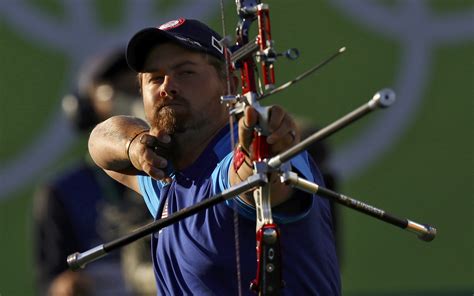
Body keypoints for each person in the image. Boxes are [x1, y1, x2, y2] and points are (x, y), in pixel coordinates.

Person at [88, 18, 341, 295]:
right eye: (155, 78)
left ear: (230, 84)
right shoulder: (163, 171)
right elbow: (100, 141)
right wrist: (135, 145)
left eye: (186, 73)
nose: (167, 87)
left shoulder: (230, 160)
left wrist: (261, 152)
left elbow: (252, 183)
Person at [33, 48, 156, 296]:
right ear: (86, 108)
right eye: (115, 91)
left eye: (136, 88)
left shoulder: (180, 172)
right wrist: (68, 287)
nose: (131, 100)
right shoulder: (61, 193)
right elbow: (52, 282)